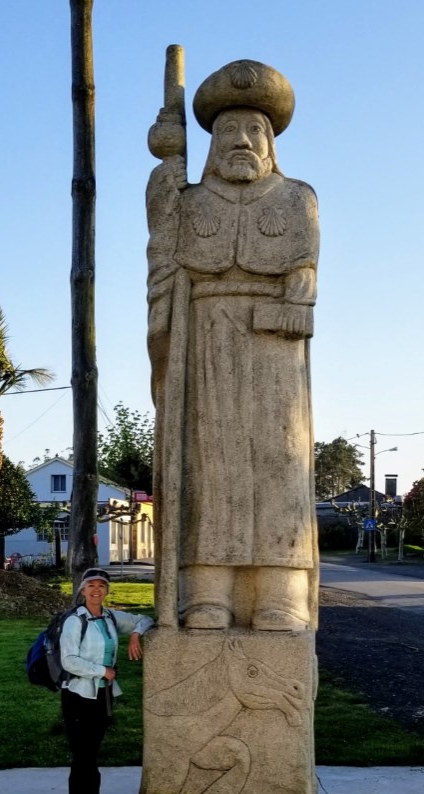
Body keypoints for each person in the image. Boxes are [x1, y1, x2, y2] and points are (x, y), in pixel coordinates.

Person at [146, 59, 320, 632]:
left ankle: (279, 592)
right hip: (209, 341)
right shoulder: (191, 200)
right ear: (212, 144)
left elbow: (305, 277)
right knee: (210, 466)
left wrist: (297, 292)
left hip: (273, 354)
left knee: (279, 463)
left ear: (270, 143)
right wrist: (163, 172)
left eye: (254, 132)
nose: (241, 141)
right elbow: (163, 244)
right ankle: (208, 593)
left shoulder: (296, 199)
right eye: (227, 132)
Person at [59, 567, 155, 794]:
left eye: (101, 585)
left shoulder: (110, 617)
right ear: (82, 590)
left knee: (91, 748)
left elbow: (145, 619)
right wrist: (101, 670)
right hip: (78, 693)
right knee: (83, 750)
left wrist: (135, 634)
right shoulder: (74, 621)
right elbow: (68, 660)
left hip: (103, 694)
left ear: (107, 591)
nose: (96, 590)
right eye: (91, 585)